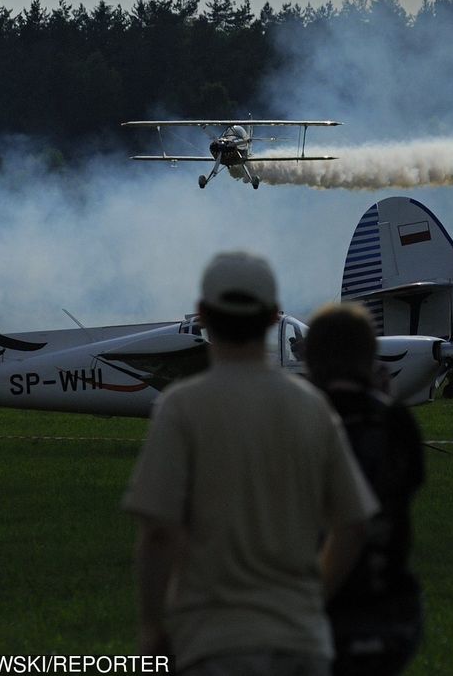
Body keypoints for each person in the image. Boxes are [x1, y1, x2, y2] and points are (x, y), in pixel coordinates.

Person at [122, 252, 379, 675]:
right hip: (303, 642)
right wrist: (314, 599)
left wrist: (152, 629)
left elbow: (158, 533)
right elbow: (353, 525)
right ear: (271, 319)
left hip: (213, 643)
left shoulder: (181, 407)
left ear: (204, 315)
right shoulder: (314, 407)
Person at [304, 303, 426, 676]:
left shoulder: (302, 418)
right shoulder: (395, 420)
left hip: (318, 606)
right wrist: (381, 402)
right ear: (369, 357)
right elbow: (411, 480)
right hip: (387, 607)